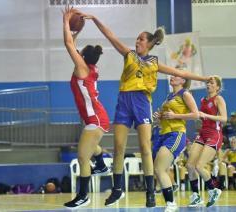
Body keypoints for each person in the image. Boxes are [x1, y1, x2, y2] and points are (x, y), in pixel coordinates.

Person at [78, 12, 210, 207]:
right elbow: (110, 36)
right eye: (137, 38)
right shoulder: (129, 55)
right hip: (124, 101)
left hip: (141, 102)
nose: (137, 41)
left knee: (145, 148)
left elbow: (180, 72)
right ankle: (117, 189)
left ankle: (150, 192)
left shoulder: (155, 63)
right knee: (118, 148)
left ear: (149, 43)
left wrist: (204, 79)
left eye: (140, 38)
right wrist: (96, 20)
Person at [62, 6, 110, 209]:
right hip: (97, 117)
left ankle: (83, 196)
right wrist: (76, 30)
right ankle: (100, 163)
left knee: (82, 157)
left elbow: (67, 43)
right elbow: (72, 43)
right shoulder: (91, 66)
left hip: (95, 119)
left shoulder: (82, 67)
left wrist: (66, 21)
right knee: (88, 150)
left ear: (82, 56)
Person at [152, 74, 199, 211]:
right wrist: (159, 117)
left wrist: (175, 116)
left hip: (176, 134)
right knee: (160, 170)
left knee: (159, 169)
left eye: (176, 76)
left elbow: (196, 114)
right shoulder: (169, 96)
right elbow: (166, 117)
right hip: (163, 133)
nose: (172, 77)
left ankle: (171, 203)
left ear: (183, 81)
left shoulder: (185, 94)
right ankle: (171, 200)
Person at [186, 76, 227, 207]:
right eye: (207, 82)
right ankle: (196, 196)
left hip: (214, 134)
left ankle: (214, 189)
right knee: (190, 165)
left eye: (211, 83)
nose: (208, 84)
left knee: (199, 166)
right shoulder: (203, 100)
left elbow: (224, 118)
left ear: (217, 87)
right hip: (203, 133)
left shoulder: (219, 99)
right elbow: (201, 117)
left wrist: (206, 115)